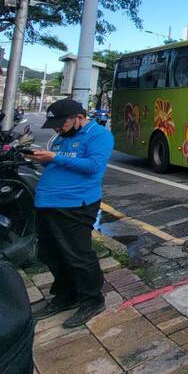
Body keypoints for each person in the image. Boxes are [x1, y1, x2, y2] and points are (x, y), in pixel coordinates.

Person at [29, 99, 115, 328]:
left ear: (79, 117)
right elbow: (59, 164)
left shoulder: (99, 135)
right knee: (50, 253)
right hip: (47, 201)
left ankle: (92, 299)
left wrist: (54, 158)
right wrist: (42, 159)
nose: (58, 128)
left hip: (76, 204)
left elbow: (93, 167)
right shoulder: (60, 137)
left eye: (61, 123)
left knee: (78, 254)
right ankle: (66, 294)